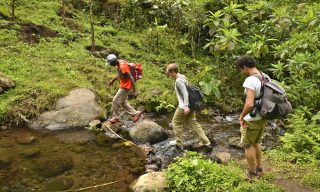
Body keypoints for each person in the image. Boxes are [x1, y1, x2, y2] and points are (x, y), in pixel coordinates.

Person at [236, 55, 270, 178]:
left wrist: (242, 116)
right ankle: (259, 168)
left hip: (252, 118)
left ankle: (251, 172)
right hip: (263, 115)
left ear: (244, 67)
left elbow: (249, 103)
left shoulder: (250, 80)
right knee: (255, 142)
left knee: (247, 145)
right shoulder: (264, 76)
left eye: (241, 69)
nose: (241, 71)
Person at [166, 63, 211, 149]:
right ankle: (205, 141)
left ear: (172, 71)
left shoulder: (178, 81)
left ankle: (178, 142)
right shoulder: (183, 76)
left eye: (169, 73)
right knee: (193, 122)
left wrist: (186, 106)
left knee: (176, 122)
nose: (169, 75)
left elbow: (185, 94)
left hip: (184, 105)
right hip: (191, 104)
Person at [106, 54, 143, 124]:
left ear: (113, 61)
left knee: (115, 100)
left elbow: (131, 77)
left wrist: (135, 89)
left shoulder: (122, 66)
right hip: (124, 85)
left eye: (110, 63)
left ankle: (116, 118)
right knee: (123, 102)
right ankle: (135, 113)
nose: (110, 65)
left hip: (126, 86)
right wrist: (112, 81)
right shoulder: (119, 63)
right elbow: (119, 74)